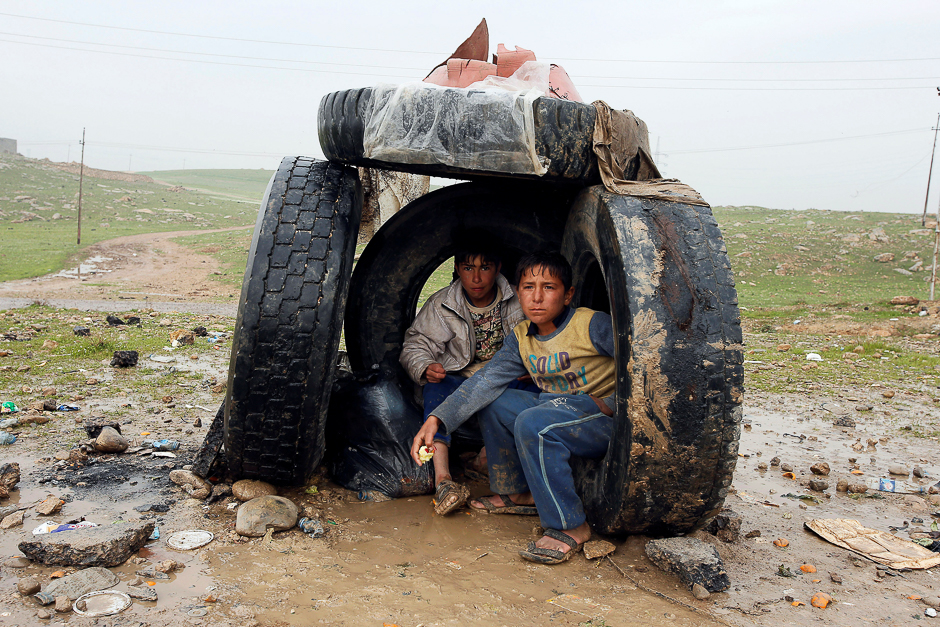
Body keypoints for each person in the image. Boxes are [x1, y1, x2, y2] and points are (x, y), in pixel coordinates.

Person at [411, 251, 615, 565]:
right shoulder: (521, 337)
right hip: (555, 408)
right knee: (496, 400)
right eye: (528, 287)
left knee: (534, 423)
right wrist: (436, 420)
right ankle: (519, 491)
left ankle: (570, 526)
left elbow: (641, 359)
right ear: (516, 292)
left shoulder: (591, 324)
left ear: (568, 294)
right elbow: (485, 381)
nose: (536, 297)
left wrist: (616, 405)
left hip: (598, 417)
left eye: (548, 288)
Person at [399, 236, 526, 515]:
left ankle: (489, 463)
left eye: (485, 268)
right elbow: (416, 344)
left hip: (503, 375)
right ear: (457, 268)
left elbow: (538, 337)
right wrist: (425, 366)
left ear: (499, 268)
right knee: (436, 391)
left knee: (527, 396)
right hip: (460, 374)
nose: (476, 277)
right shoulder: (443, 303)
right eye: (468, 268)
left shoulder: (519, 299)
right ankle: (443, 479)